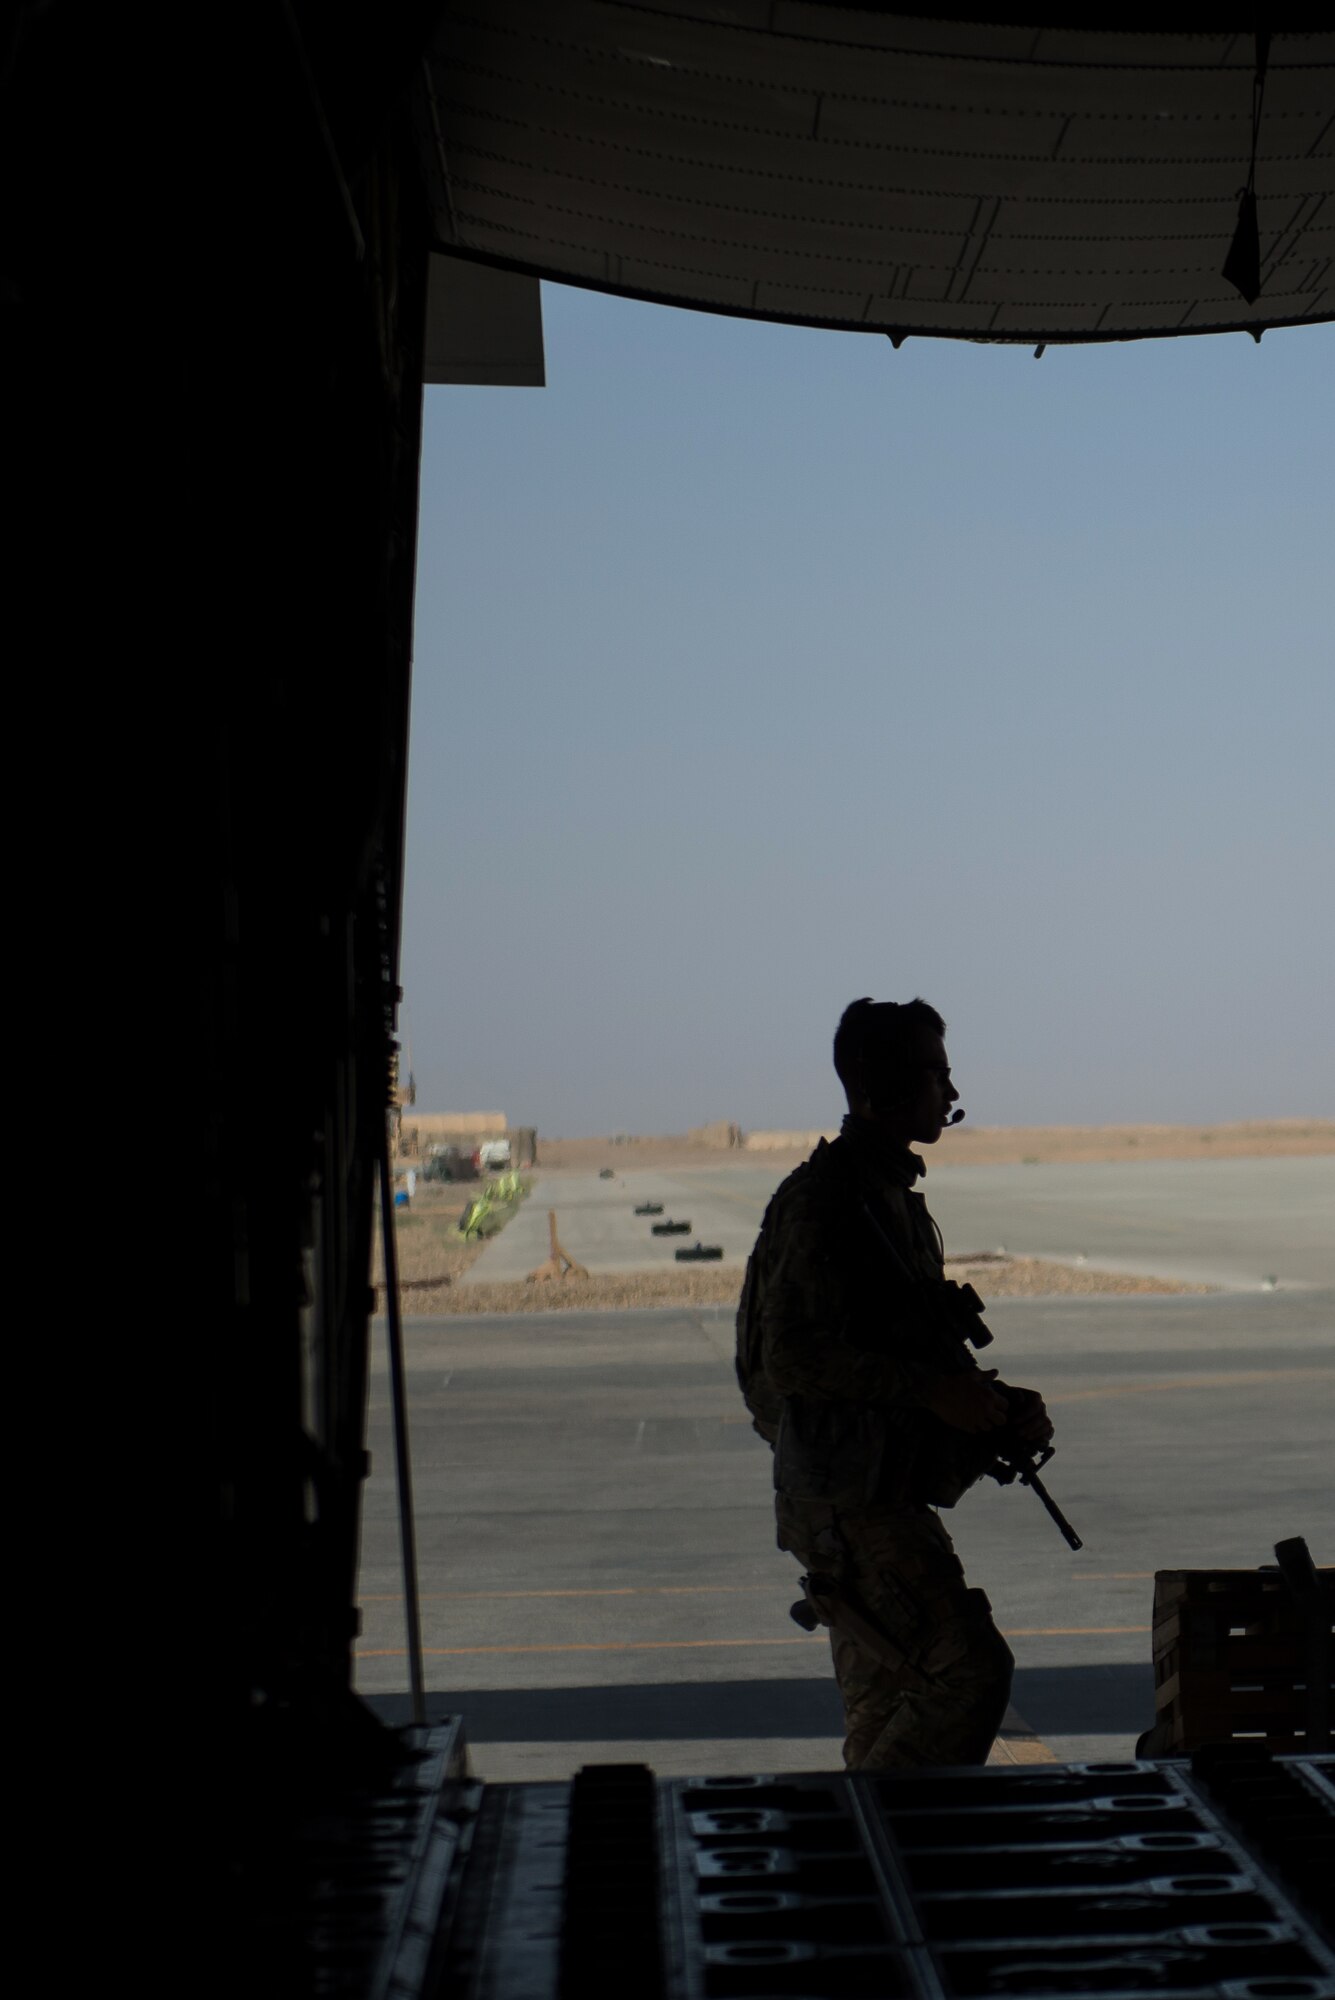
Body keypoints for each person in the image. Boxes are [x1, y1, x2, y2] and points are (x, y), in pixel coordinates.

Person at [736, 997, 1053, 1769]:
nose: (948, 1094)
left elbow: (902, 1351)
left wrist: (991, 1408)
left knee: (889, 1702)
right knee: (968, 1675)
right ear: (882, 1088)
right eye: (934, 1076)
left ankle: (876, 1867)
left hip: (870, 1489)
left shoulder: (882, 1199)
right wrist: (930, 1394)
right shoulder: (826, 1201)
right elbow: (789, 1357)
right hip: (847, 1501)